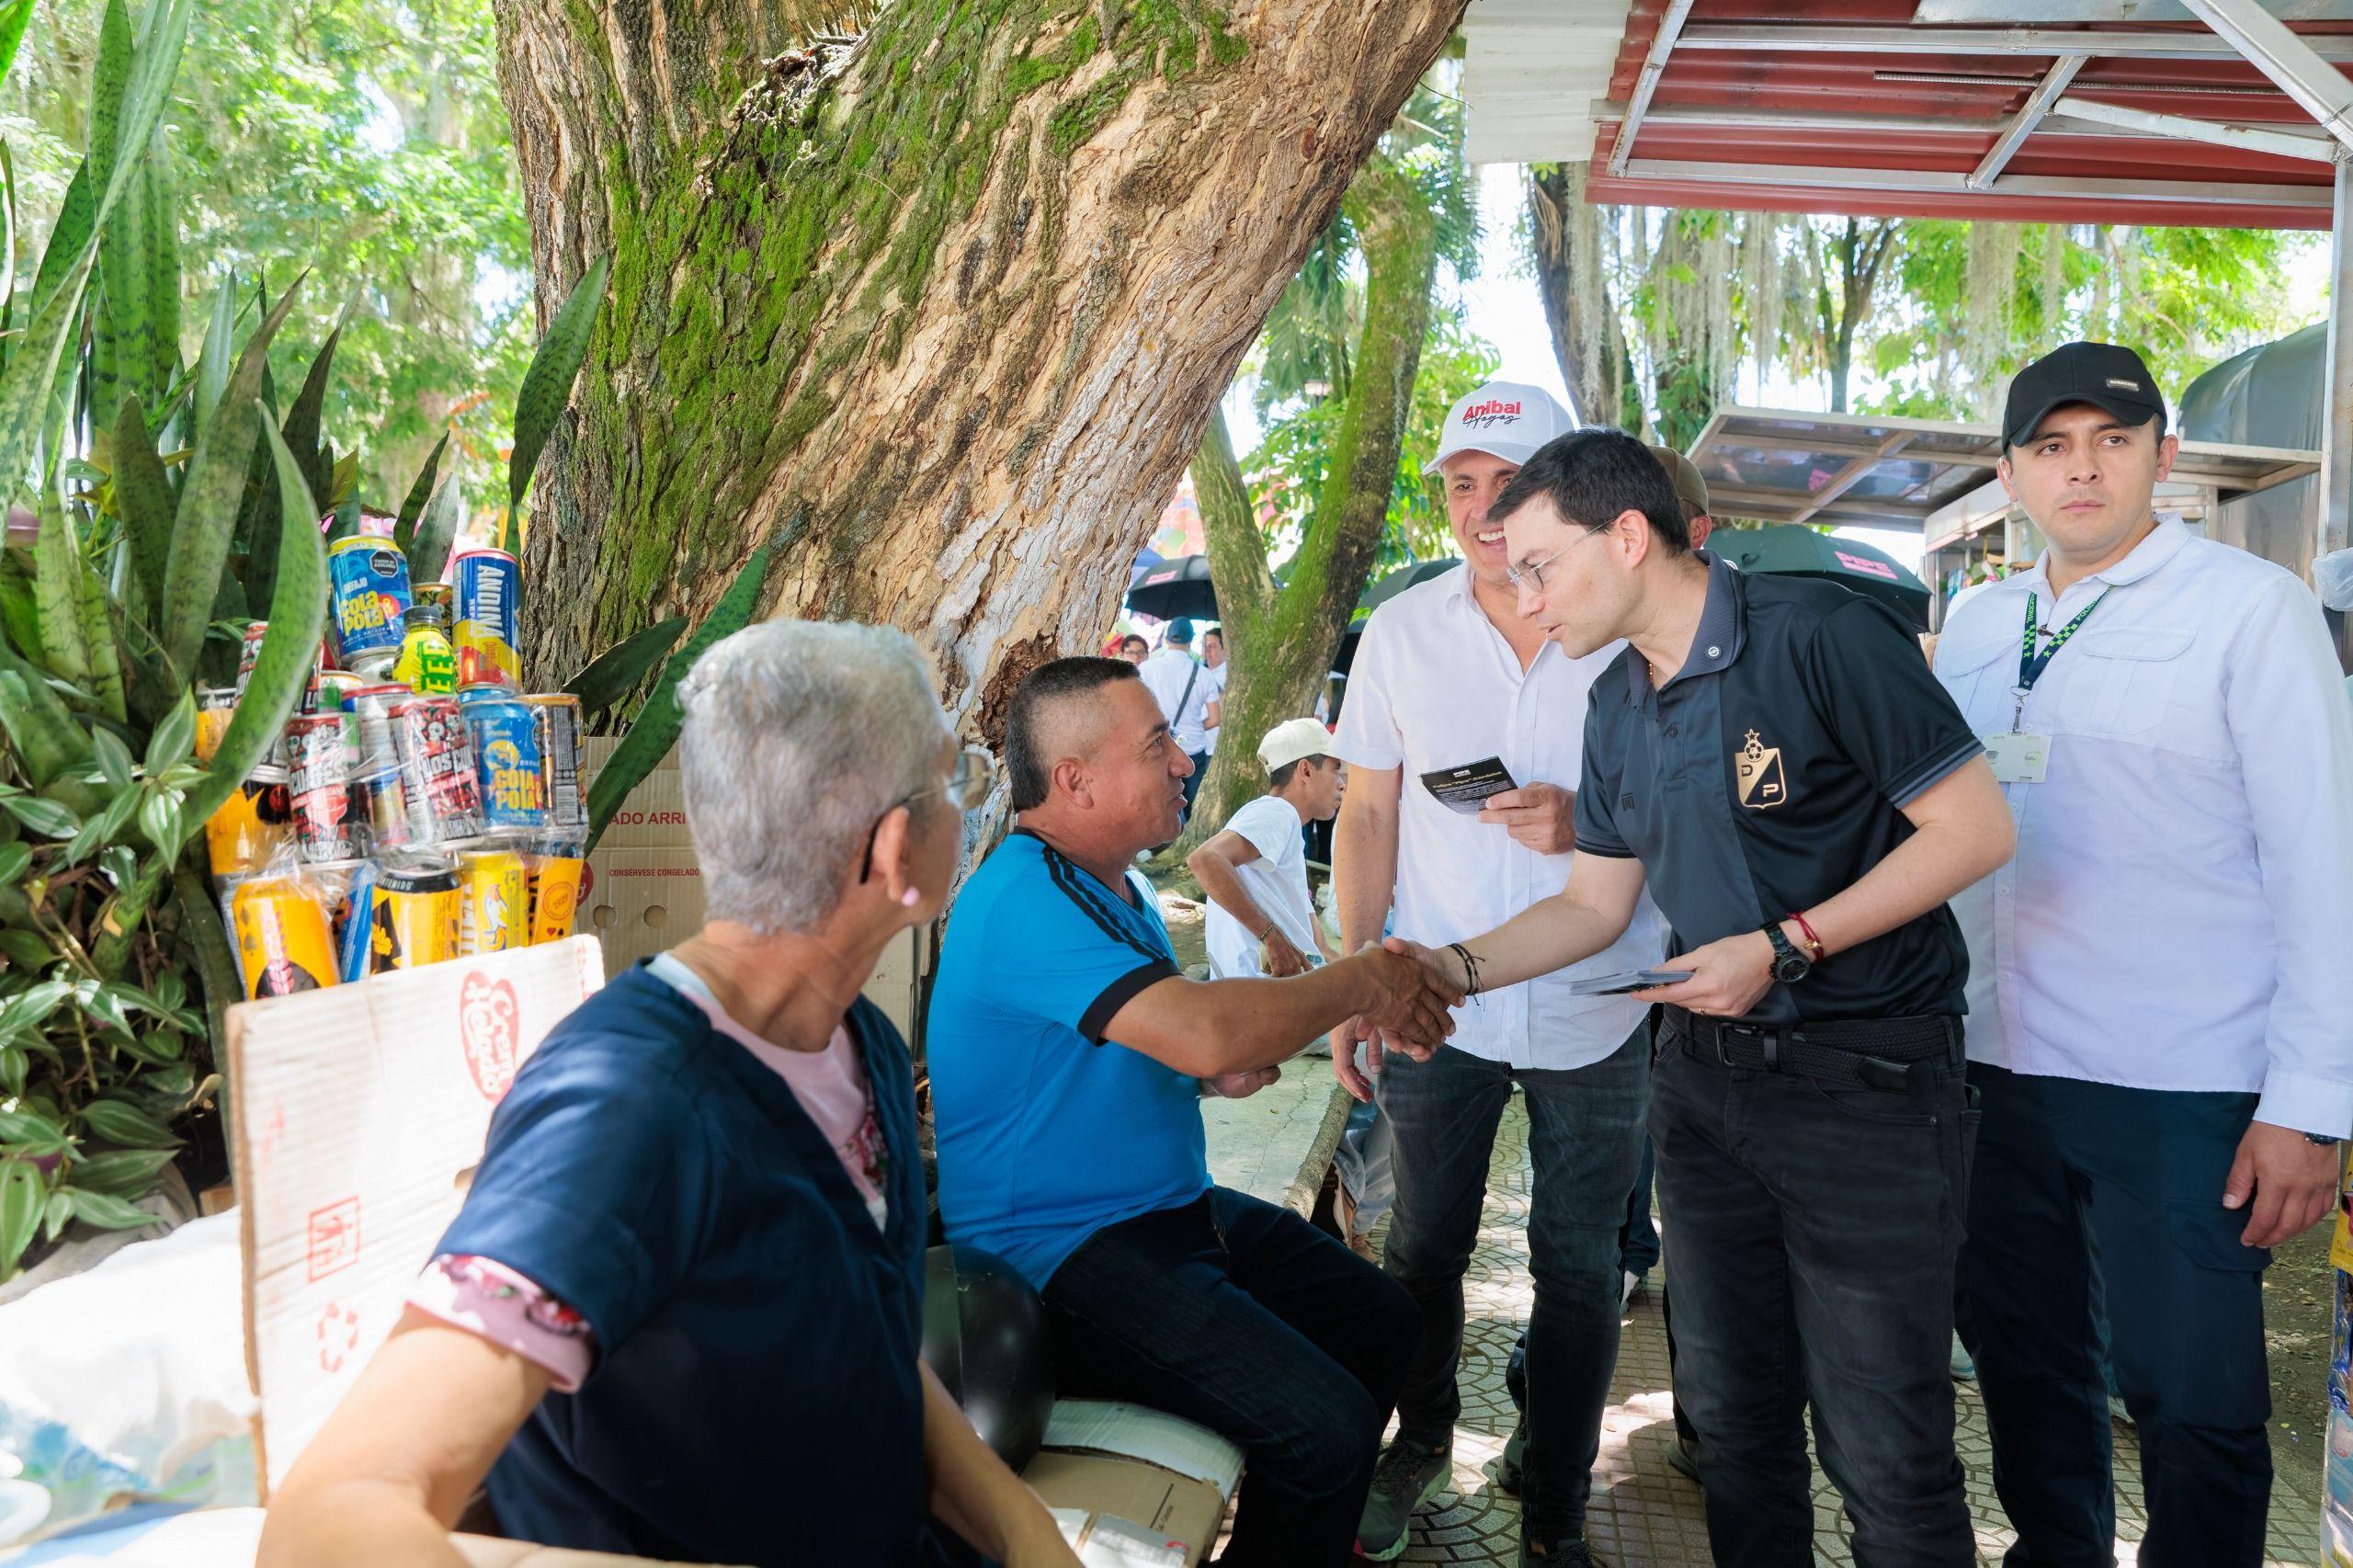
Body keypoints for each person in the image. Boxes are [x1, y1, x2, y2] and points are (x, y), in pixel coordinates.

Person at [259, 621, 1077, 1568]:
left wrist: (1022, 1528)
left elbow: (869, 1332)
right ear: (893, 850)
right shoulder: (629, 1112)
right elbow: (338, 1510)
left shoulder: (864, 1045)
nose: (968, 802)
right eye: (952, 780)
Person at [1392, 427, 2017, 1568]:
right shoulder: (1617, 705)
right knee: (1731, 1422)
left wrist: (1784, 946)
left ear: (1628, 535)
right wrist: (1452, 965)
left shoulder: (1820, 634)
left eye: (1538, 565)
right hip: (1703, 1087)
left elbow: (1976, 827)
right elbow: (1590, 907)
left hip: (1868, 1088)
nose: (1524, 600)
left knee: (1883, 1446)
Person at [1935, 340, 2353, 1566]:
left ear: (2160, 458)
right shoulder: (1976, 619)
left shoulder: (2248, 609)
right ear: (2010, 474)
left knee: (2194, 1393)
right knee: (2024, 1364)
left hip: (2182, 1083)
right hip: (1994, 1067)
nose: (2084, 470)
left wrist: (2312, 1104)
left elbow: (2325, 863)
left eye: (2113, 442)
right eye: (2052, 448)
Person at [926, 655, 1461, 1568]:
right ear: (1075, 779)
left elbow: (1159, 1047)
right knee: (1322, 1425)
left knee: (1380, 1320)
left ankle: (1306, 1524)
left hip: (1161, 1210)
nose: (1185, 761)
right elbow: (1204, 1028)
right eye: (1158, 744)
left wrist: (1209, 1080)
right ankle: (1306, 1498)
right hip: (1061, 1255)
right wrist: (1368, 976)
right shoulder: (1025, 896)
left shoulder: (1114, 883)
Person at [1330, 380, 1671, 1568]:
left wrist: (1594, 819)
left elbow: (1689, 811)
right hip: (1436, 1005)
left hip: (1603, 1001)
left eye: (1508, 483)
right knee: (1422, 1245)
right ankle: (1414, 1443)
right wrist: (1351, 979)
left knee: (1581, 1268)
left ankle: (1556, 1503)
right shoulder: (1403, 631)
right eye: (1461, 484)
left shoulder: (1629, 631)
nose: (1483, 508)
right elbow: (1366, 813)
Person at [1189, 717, 1344, 982]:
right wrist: (1271, 938)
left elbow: (1320, 949)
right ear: (1305, 771)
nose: (1342, 783)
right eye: (1335, 770)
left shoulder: (1285, 825)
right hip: (1260, 994)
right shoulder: (1276, 812)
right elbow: (1204, 859)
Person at [1136, 618, 1220, 815]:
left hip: (1157, 747)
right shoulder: (1204, 674)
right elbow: (1215, 718)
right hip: (1192, 750)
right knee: (1192, 806)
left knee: (1159, 806)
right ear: (1191, 640)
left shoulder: (1147, 669)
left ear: (1166, 638)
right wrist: (1193, 726)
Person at [1201, 626, 1230, 761]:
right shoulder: (1200, 672)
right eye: (1204, 647)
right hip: (1200, 745)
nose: (1206, 652)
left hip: (1216, 747)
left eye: (1211, 647)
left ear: (1224, 649)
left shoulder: (1230, 676)